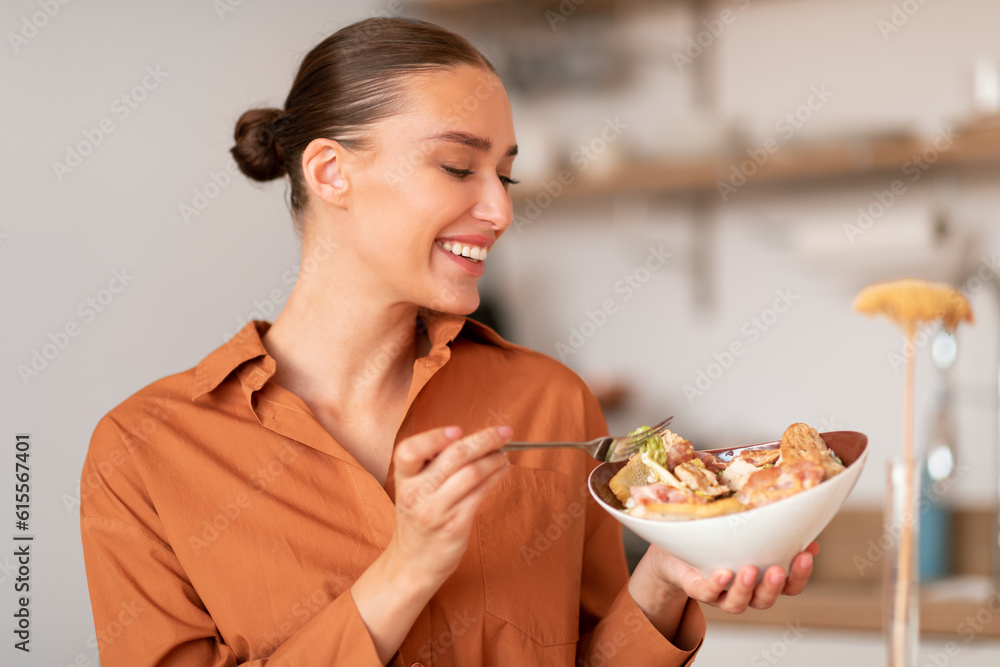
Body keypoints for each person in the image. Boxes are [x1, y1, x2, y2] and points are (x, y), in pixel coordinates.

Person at [80, 17, 817, 666]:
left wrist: (665, 575)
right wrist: (405, 570)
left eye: (505, 174)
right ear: (331, 171)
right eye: (458, 166)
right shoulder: (145, 452)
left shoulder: (549, 404)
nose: (498, 209)